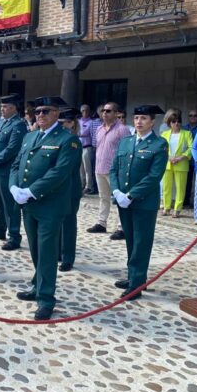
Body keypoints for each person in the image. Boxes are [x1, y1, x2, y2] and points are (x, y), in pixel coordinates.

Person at [9, 96, 80, 320]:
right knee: (35, 249)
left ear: (57, 114)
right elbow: (17, 163)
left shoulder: (68, 140)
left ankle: (46, 298)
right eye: (37, 111)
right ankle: (37, 286)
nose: (40, 115)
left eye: (46, 111)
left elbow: (59, 172)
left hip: (50, 205)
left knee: (48, 252)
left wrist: (31, 191)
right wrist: (13, 187)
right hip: (28, 204)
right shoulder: (30, 136)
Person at [110, 105, 168, 300]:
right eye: (136, 118)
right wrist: (117, 191)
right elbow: (114, 169)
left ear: (152, 121)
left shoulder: (159, 144)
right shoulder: (125, 142)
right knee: (131, 240)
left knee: (142, 243)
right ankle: (134, 276)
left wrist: (131, 195)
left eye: (143, 118)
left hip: (143, 202)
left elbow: (153, 176)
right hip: (123, 200)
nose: (139, 122)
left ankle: (136, 285)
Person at [0, 94, 27, 251]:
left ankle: (14, 236)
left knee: (10, 205)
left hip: (8, 169)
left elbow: (12, 148)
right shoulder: (2, 122)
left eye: (5, 107)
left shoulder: (18, 125)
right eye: (1, 106)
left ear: (14, 108)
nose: (2, 109)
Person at [86, 102, 129, 240]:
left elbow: (127, 151)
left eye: (108, 111)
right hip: (99, 168)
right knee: (103, 198)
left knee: (119, 199)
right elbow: (96, 147)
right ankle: (101, 223)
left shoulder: (123, 130)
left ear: (116, 113)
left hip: (114, 171)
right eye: (103, 110)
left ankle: (121, 227)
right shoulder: (99, 129)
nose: (105, 113)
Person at [58, 108, 83, 271]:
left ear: (73, 123)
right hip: (58, 188)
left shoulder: (73, 141)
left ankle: (68, 257)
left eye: (66, 122)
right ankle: (58, 251)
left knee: (68, 223)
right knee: (57, 221)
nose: (63, 125)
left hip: (70, 188)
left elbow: (66, 167)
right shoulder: (60, 139)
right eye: (60, 123)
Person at [160, 110, 193, 218]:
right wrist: (168, 157)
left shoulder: (187, 133)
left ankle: (177, 208)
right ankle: (166, 207)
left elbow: (191, 148)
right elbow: (161, 149)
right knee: (166, 187)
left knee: (180, 187)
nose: (176, 123)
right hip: (168, 163)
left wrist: (181, 157)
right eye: (173, 121)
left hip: (181, 163)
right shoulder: (164, 134)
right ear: (169, 123)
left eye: (178, 121)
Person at [183, 108, 197, 206]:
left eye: (195, 115)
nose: (193, 117)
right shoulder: (183, 128)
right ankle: (186, 201)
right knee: (187, 182)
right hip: (187, 159)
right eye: (191, 115)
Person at [79, 104, 96, 194]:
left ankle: (89, 186)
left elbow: (84, 133)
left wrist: (79, 133)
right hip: (79, 147)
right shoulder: (78, 121)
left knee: (87, 168)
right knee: (80, 168)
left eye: (86, 110)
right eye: (83, 111)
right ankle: (81, 184)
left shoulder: (91, 122)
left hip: (87, 147)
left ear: (89, 112)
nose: (85, 113)